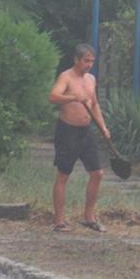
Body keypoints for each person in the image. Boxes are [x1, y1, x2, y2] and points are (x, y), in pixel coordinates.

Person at [49, 43, 110, 232]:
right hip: (67, 131)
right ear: (76, 60)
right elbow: (53, 96)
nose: (89, 64)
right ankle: (59, 221)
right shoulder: (66, 77)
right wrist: (72, 97)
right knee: (63, 175)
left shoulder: (91, 79)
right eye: (86, 61)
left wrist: (103, 127)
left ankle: (89, 217)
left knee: (97, 173)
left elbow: (94, 105)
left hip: (86, 131)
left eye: (92, 61)